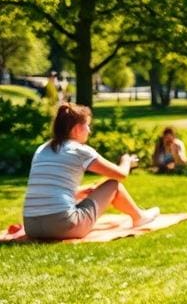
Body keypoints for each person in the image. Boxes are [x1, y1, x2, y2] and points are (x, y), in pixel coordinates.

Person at [22, 103, 159, 240]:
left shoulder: (41, 149)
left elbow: (49, 187)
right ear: (76, 129)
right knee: (113, 185)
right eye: (87, 125)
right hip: (64, 227)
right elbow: (121, 174)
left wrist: (77, 192)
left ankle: (139, 215)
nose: (89, 130)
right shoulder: (79, 150)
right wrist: (127, 161)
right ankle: (140, 217)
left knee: (97, 189)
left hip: (32, 228)